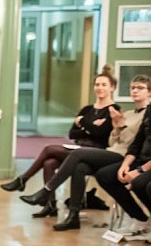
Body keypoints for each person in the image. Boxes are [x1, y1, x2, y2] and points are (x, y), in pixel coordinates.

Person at [20, 75, 151, 231]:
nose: (135, 91)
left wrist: (119, 126)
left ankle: (46, 191)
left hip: (124, 155)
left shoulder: (146, 114)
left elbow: (135, 143)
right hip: (113, 151)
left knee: (76, 154)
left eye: (140, 88)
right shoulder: (127, 114)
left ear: (149, 92)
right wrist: (116, 128)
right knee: (79, 167)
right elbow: (111, 141)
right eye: (133, 88)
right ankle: (73, 217)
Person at [0, 65, 121, 217]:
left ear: (112, 88)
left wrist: (83, 123)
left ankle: (23, 180)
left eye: (104, 85)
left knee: (49, 149)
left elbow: (101, 135)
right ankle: (50, 205)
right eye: (97, 84)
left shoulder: (114, 110)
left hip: (96, 153)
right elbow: (72, 133)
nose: (99, 88)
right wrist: (91, 127)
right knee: (49, 163)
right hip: (78, 150)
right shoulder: (87, 109)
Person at [95, 101, 151, 237]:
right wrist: (125, 165)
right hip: (142, 160)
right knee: (105, 175)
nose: (135, 91)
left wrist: (139, 171)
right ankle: (140, 218)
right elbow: (137, 142)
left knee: (139, 183)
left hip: (147, 166)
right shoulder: (149, 110)